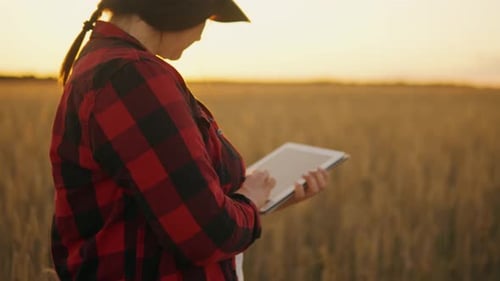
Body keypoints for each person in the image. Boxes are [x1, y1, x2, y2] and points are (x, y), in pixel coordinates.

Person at [49, 0, 330, 280]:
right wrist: (249, 202)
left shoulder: (104, 63)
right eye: (205, 16)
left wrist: (259, 198)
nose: (200, 35)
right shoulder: (133, 76)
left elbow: (161, 201)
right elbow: (206, 233)